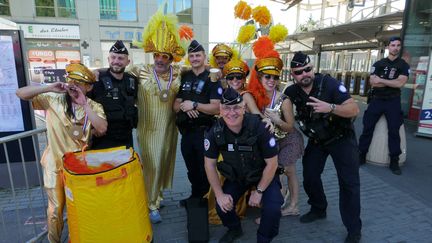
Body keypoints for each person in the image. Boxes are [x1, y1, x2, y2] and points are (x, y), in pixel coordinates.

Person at [16, 63, 107, 243]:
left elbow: (102, 128)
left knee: (78, 209)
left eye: (80, 83)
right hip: (54, 164)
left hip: (78, 169)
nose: (74, 85)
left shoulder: (94, 106)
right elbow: (20, 93)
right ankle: (54, 240)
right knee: (56, 209)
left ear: (88, 87)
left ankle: (76, 239)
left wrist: (84, 104)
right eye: (71, 80)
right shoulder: (53, 99)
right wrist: (49, 86)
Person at [284, 52, 362, 243]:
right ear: (293, 75)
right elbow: (276, 100)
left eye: (308, 69)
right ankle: (318, 208)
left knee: (349, 184)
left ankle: (353, 229)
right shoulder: (292, 92)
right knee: (310, 176)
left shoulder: (330, 84)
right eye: (299, 72)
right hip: (318, 141)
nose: (305, 74)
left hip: (341, 138)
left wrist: (331, 107)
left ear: (313, 68)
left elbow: (354, 109)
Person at [204, 88, 283, 243]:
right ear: (220, 110)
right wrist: (219, 195)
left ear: (244, 108)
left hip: (263, 175)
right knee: (222, 207)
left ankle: (264, 238)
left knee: (273, 209)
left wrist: (259, 191)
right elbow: (209, 165)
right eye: (226, 108)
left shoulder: (260, 128)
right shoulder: (215, 132)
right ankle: (235, 229)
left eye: (236, 108)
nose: (231, 113)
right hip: (237, 177)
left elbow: (272, 164)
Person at [128, 10, 186, 224]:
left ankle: (157, 195)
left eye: (165, 56)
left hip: (170, 129)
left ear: (171, 58)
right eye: (157, 56)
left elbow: (202, 70)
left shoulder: (179, 72)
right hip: (148, 128)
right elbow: (116, 74)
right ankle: (150, 204)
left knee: (163, 162)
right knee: (152, 163)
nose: (160, 60)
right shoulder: (139, 70)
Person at [248, 37, 304, 222]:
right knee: (274, 172)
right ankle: (278, 205)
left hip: (288, 139)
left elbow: (290, 127)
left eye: (275, 77)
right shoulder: (255, 97)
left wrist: (277, 120)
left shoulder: (284, 99)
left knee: (287, 171)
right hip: (271, 142)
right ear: (260, 77)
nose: (271, 80)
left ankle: (292, 206)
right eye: (267, 76)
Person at [173, 40, 222, 205]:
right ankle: (195, 197)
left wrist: (194, 105)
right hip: (187, 133)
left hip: (204, 133)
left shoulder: (212, 78)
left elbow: (216, 108)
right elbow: (175, 105)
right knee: (191, 169)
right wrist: (184, 107)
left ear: (204, 57)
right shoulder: (185, 76)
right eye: (192, 55)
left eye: (198, 55)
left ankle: (206, 201)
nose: (194, 58)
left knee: (205, 169)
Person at [358, 37, 410, 175]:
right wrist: (391, 81)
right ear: (388, 47)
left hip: (393, 101)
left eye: (398, 45)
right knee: (367, 128)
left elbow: (400, 84)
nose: (396, 48)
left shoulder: (403, 65)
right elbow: (373, 83)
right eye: (393, 45)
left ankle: (394, 160)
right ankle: (361, 154)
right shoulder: (379, 63)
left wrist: (381, 79)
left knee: (394, 131)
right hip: (377, 100)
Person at [88, 40, 138, 149]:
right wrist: (91, 130)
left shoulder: (132, 80)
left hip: (126, 138)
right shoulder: (97, 79)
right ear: (108, 59)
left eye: (120, 58)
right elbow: (84, 105)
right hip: (102, 139)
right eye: (113, 57)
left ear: (127, 62)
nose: (116, 61)